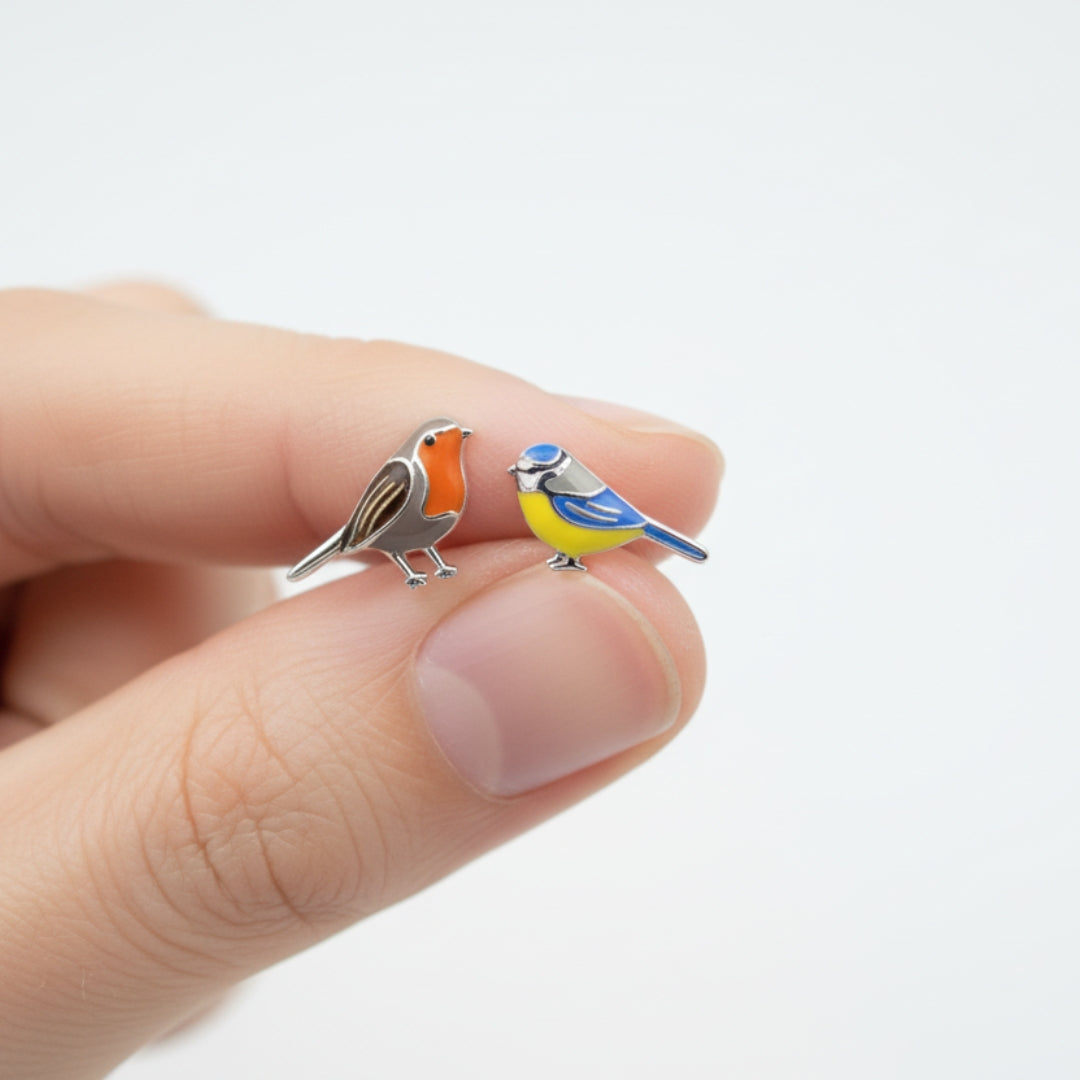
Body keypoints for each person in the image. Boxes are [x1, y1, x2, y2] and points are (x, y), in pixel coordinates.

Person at [0, 282, 722, 1077]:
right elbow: (379, 525)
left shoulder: (461, 480)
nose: (458, 451)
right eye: (443, 442)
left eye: (454, 443)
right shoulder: (420, 480)